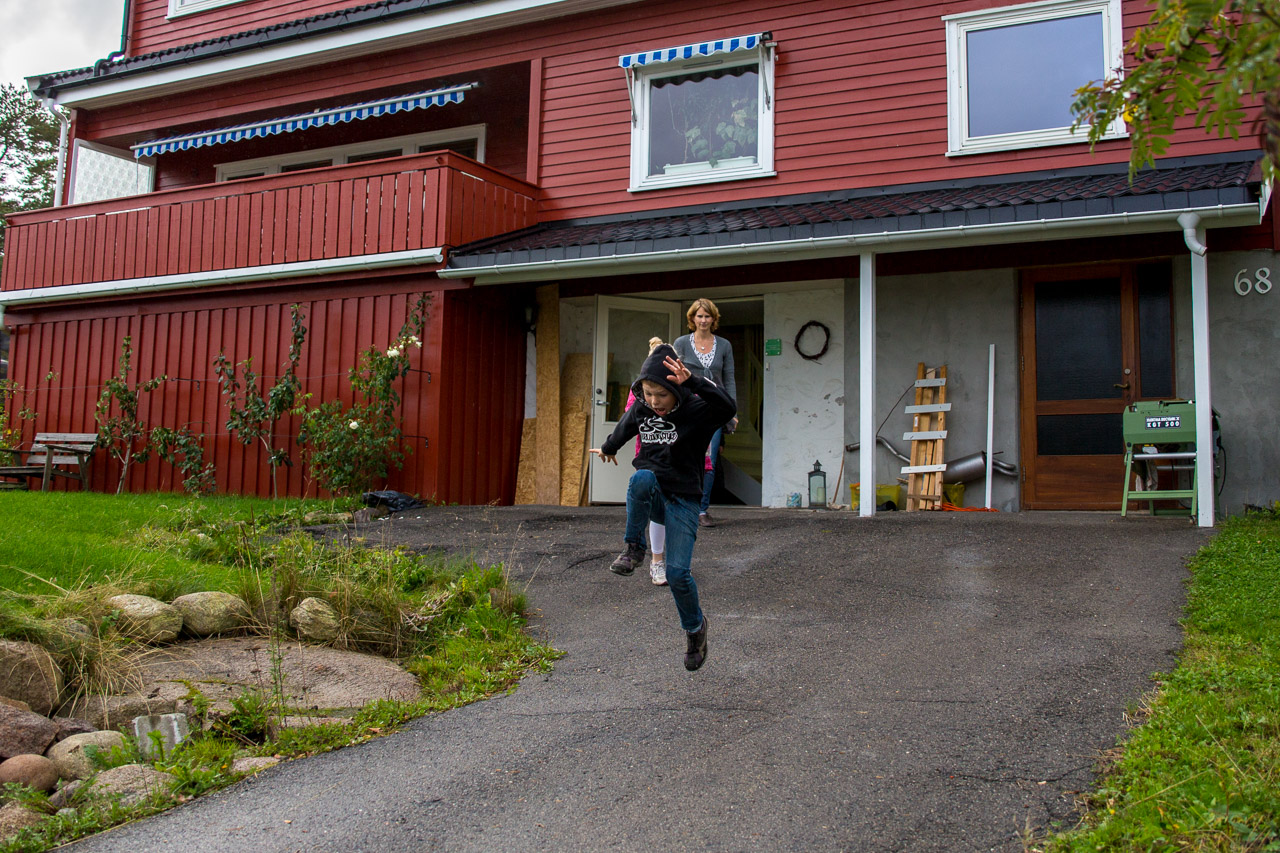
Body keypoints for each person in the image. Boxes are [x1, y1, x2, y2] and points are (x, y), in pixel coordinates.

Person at [590, 344, 735, 671]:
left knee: (677, 574)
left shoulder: (696, 410)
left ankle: (695, 630)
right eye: (648, 393)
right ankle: (633, 548)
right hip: (656, 494)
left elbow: (727, 407)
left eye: (662, 395)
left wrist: (694, 381)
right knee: (641, 477)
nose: (654, 402)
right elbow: (624, 427)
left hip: (684, 499)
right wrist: (608, 448)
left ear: (676, 390)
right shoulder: (642, 408)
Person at [673, 298, 738, 527]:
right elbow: (674, 376)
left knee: (709, 459)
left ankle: (702, 510)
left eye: (707, 316)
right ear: (692, 318)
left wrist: (732, 411)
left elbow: (729, 379)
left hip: (715, 409)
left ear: (713, 319)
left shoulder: (724, 345)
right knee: (685, 456)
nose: (703, 320)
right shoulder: (681, 343)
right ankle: (683, 505)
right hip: (688, 408)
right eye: (699, 316)